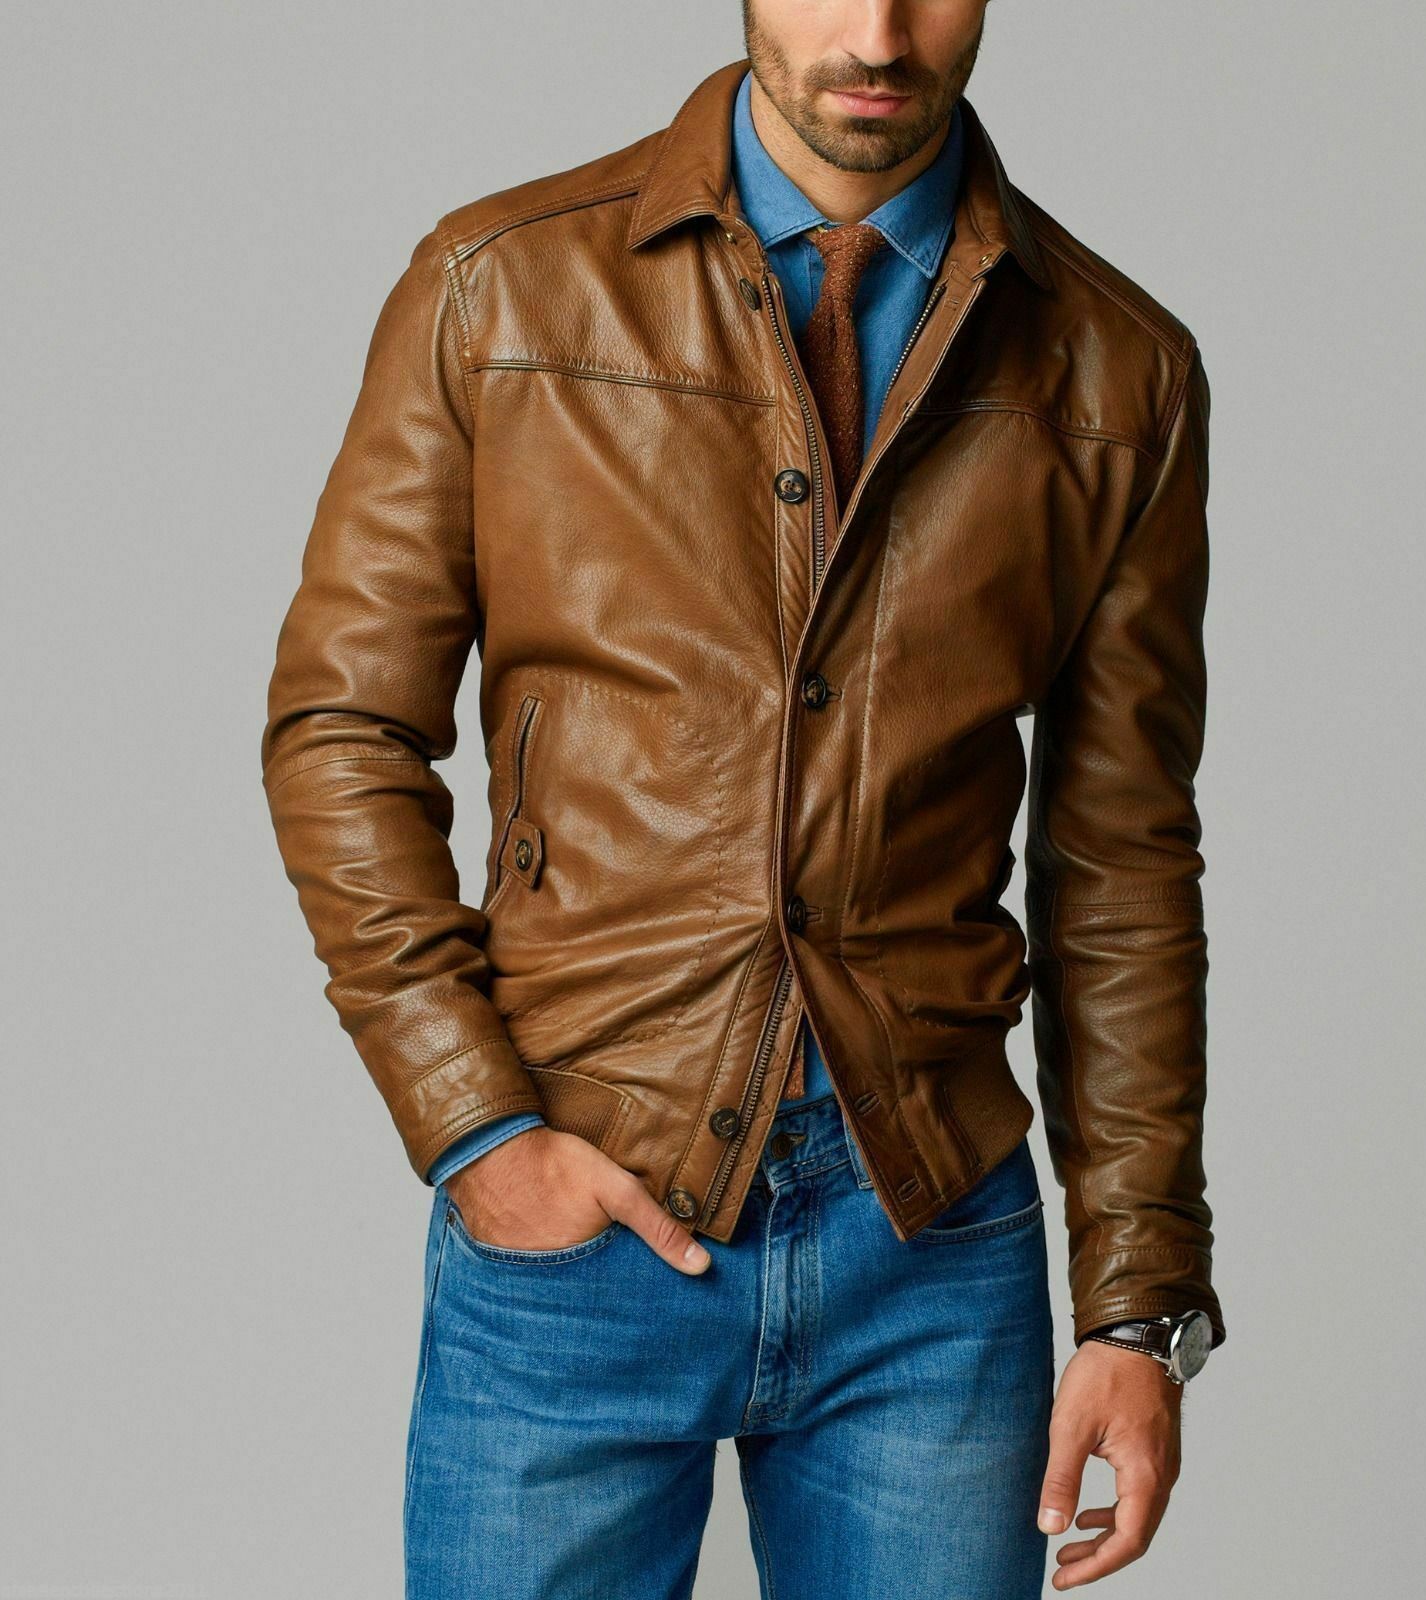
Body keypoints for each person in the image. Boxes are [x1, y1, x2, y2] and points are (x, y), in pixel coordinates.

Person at [261, 5, 1227, 1595]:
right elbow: (340, 727)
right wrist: (475, 1125)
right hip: (580, 1193)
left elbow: (1119, 858)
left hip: (928, 1249)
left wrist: (1137, 1300)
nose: (877, 33)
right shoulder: (501, 285)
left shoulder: (1116, 367)